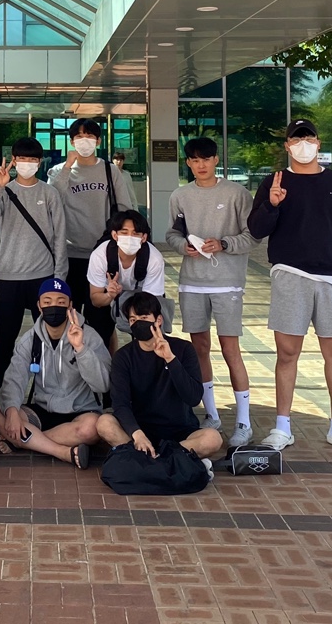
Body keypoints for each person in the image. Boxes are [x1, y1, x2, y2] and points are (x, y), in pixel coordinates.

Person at [247, 118, 332, 455]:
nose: (303, 144)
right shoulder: (274, 181)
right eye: (296, 139)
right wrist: (272, 204)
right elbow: (256, 229)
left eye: (309, 138)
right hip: (289, 274)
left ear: (318, 143)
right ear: (287, 146)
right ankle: (282, 427)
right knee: (287, 353)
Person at [166, 137, 258, 445]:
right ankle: (212, 414)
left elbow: (252, 236)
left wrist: (224, 243)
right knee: (199, 348)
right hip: (192, 282)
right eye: (194, 160)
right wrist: (184, 246)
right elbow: (172, 233)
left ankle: (243, 421)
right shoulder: (180, 196)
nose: (200, 164)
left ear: (216, 160)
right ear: (188, 163)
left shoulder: (237, 194)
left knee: (231, 349)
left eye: (206, 158)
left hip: (227, 281)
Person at [0, 277, 107, 468]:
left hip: (80, 411)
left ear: (70, 305)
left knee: (92, 429)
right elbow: (14, 378)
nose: (54, 307)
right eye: (47, 302)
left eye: (61, 302)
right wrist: (11, 411)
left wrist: (81, 349)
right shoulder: (30, 339)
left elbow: (103, 384)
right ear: (39, 306)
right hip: (42, 410)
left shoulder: (89, 336)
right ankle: (61, 451)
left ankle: (22, 441)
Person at [0, 138, 68, 382]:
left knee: (48, 334)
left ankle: (47, 387)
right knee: (6, 337)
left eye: (32, 159)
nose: (27, 163)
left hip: (43, 276)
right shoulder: (5, 191)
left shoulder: (49, 193)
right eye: (22, 158)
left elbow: (59, 236)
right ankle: (4, 390)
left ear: (40, 162)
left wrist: (59, 277)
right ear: (13, 161)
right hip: (9, 276)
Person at [96, 292, 223, 462]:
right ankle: (171, 460)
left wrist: (170, 359)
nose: (138, 323)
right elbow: (120, 403)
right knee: (104, 423)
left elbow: (193, 398)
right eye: (133, 319)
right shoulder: (123, 356)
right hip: (140, 431)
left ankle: (148, 459)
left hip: (180, 431)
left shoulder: (183, 349)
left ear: (158, 320)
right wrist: (137, 434)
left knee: (213, 438)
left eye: (143, 317)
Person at [48, 118, 135, 345]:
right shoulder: (59, 171)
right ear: (71, 141)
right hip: (69, 257)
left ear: (98, 141)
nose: (84, 141)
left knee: (102, 322)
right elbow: (51, 202)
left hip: (103, 256)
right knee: (70, 319)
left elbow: (125, 209)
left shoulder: (109, 170)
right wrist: (67, 167)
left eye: (89, 136)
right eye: (79, 136)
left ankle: (104, 365)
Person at [88, 209, 167, 352]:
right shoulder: (100, 255)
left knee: (150, 329)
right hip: (109, 292)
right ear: (114, 235)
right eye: (124, 232)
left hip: (143, 295)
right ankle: (108, 362)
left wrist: (138, 321)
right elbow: (95, 299)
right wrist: (109, 295)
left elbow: (150, 303)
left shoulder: (154, 258)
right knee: (100, 329)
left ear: (144, 237)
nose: (130, 237)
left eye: (135, 233)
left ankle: (148, 359)